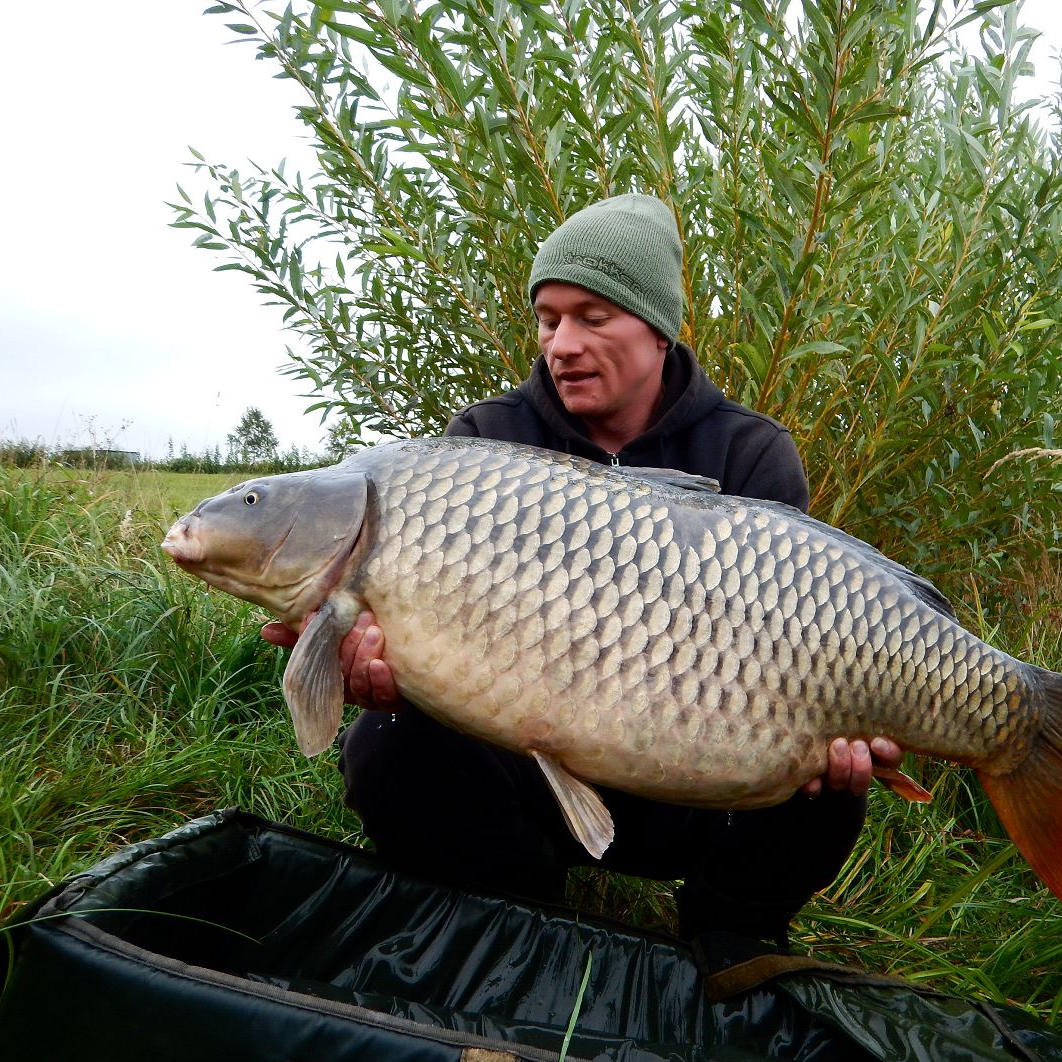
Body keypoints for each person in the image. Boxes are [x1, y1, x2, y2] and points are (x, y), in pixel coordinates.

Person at [265, 193, 902, 946]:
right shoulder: (483, 442)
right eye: (547, 319)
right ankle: (515, 921)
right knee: (387, 741)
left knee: (831, 778)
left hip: (697, 766)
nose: (561, 344)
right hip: (523, 770)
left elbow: (794, 631)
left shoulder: (750, 454)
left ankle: (732, 942)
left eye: (592, 317)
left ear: (659, 329)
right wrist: (381, 678)